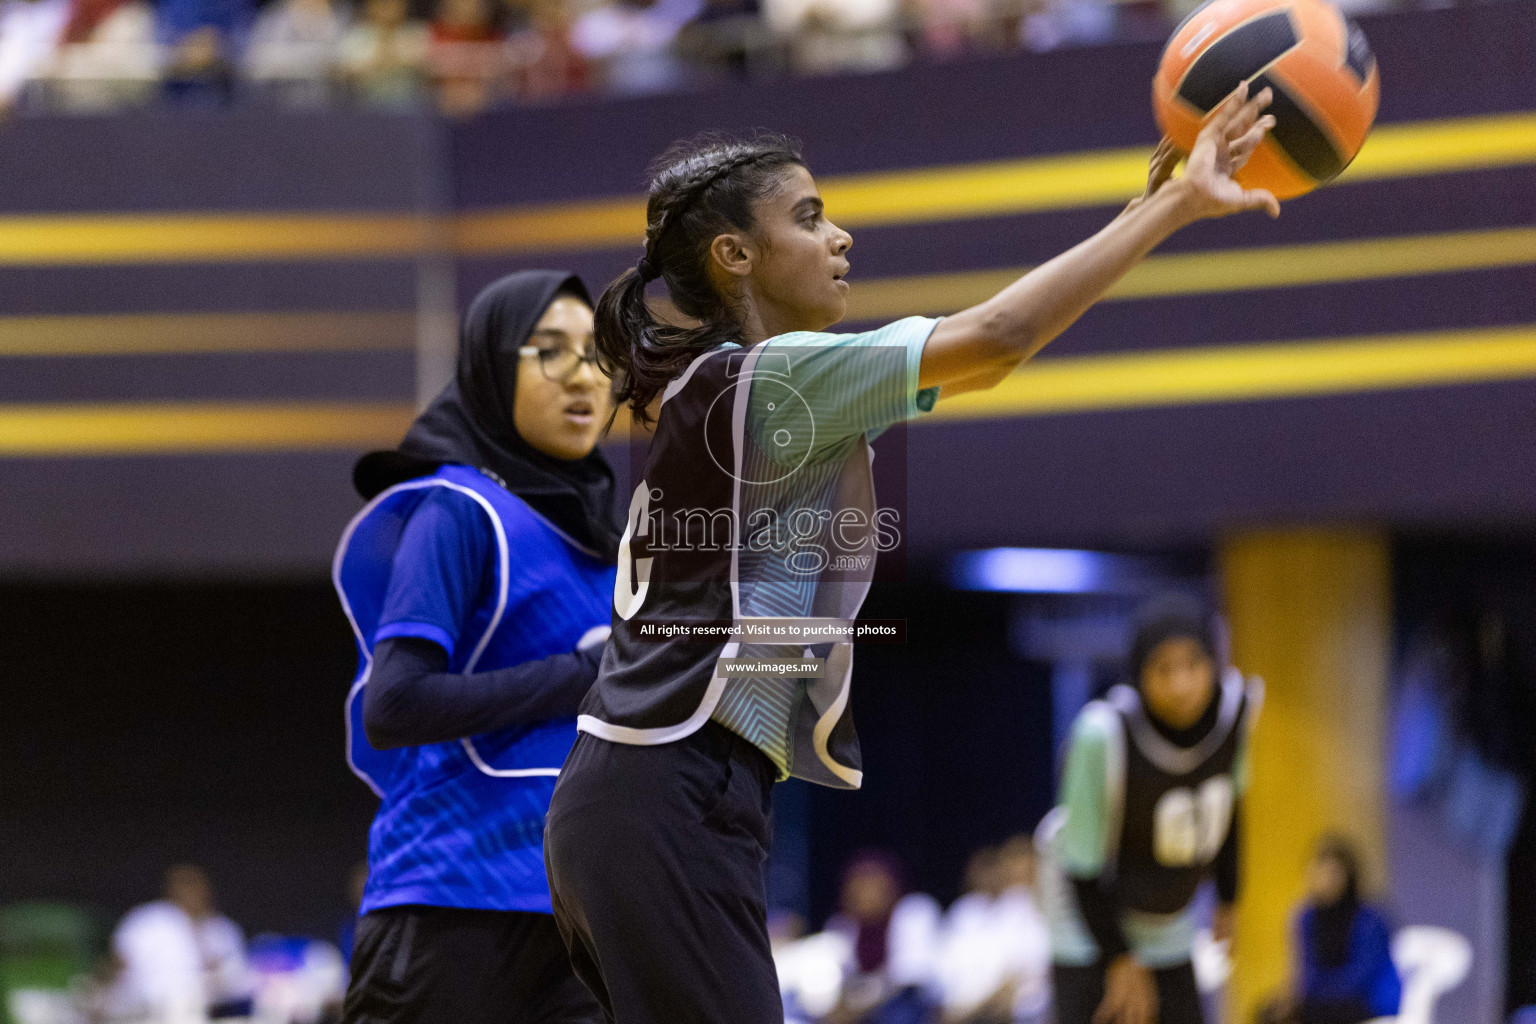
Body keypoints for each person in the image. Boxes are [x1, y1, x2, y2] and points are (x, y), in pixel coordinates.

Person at [543, 92, 1280, 1024]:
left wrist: (1146, 204)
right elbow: (1000, 338)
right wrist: (1174, 212)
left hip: (646, 798)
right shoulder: (778, 378)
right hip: (666, 793)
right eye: (809, 219)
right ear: (736, 255)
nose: (841, 237)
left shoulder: (730, 386)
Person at [333, 271, 619, 1024]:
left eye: (596, 354)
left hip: (583, 917)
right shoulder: (458, 511)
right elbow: (393, 706)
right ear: (494, 365)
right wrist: (581, 677)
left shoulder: (610, 543)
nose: (584, 376)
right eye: (550, 352)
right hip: (451, 905)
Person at [1037, 594, 1262, 1024]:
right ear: (1139, 675)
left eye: (1193, 665)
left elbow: (1229, 811)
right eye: (1163, 669)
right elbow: (1082, 869)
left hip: (1165, 912)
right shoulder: (1100, 734)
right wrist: (1120, 960)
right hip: (1086, 909)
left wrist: (1228, 899)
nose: (1181, 685)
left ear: (1213, 664)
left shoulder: (1236, 715)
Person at [110, 864, 255, 1020]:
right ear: (171, 889)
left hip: (207, 1011)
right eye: (185, 884)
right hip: (147, 1011)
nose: (191, 892)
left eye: (196, 885)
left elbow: (235, 978)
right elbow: (117, 964)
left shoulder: (223, 930)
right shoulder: (147, 921)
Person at [1287, 836, 1401, 1024]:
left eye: (1332, 874)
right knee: (1273, 1013)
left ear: (1347, 876)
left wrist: (1321, 994)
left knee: (1320, 1013)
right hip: (1322, 1001)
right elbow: (1306, 972)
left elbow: (1361, 976)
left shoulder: (1368, 920)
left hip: (1365, 1001)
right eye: (1319, 872)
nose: (1324, 880)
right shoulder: (1306, 917)